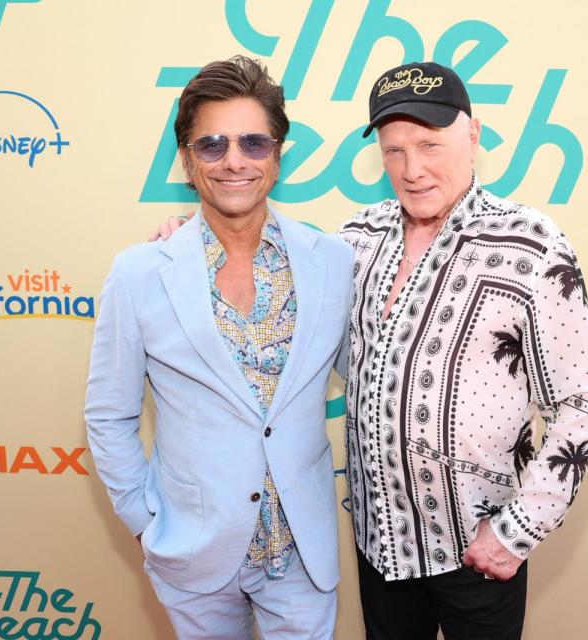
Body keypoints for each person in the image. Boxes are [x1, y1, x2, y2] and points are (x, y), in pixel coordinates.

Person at [153, 61, 588, 640]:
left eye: (429, 144)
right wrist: (187, 243)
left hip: (479, 545)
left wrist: (517, 530)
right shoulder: (355, 242)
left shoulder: (533, 245)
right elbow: (271, 280)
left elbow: (585, 401)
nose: (412, 169)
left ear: (472, 135)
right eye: (394, 151)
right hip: (383, 547)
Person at [85, 55, 353, 640]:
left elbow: (372, 376)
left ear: (278, 156)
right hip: (193, 551)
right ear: (186, 160)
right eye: (212, 145)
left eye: (254, 143)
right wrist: (143, 523)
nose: (235, 161)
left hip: (300, 554)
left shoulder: (334, 262)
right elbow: (109, 413)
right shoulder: (139, 273)